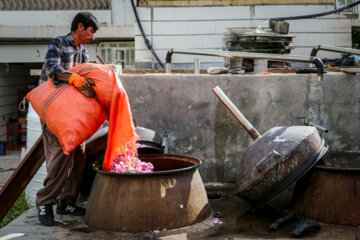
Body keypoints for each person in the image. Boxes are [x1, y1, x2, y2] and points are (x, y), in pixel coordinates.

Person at [36, 12, 99, 226]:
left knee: (80, 154)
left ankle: (66, 202)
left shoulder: (83, 52)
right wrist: (71, 77)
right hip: (53, 108)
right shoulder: (59, 43)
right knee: (61, 155)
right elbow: (52, 68)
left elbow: (89, 76)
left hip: (71, 111)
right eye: (91, 32)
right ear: (80, 27)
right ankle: (45, 202)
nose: (92, 37)